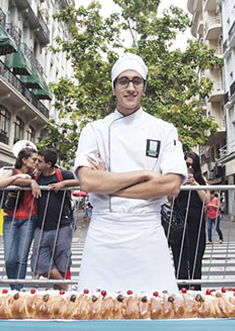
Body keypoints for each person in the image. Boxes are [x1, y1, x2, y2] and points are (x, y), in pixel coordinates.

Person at [73, 53, 187, 293]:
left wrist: (109, 186)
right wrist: (145, 174)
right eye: (123, 81)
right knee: (97, 314)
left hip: (148, 236)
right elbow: (87, 181)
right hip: (104, 236)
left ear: (144, 88)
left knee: (158, 314)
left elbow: (171, 186)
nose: (131, 87)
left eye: (137, 81)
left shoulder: (165, 130)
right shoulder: (94, 130)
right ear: (114, 88)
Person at [31, 149, 80, 291]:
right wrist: (32, 183)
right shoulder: (36, 177)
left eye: (39, 161)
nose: (36, 163)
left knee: (62, 262)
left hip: (62, 225)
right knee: (38, 262)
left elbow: (80, 181)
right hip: (42, 226)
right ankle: (66, 287)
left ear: (49, 164)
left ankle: (60, 297)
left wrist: (63, 184)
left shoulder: (62, 174)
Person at [0, 147, 41, 291]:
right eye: (34, 159)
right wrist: (17, 178)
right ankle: (13, 286)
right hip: (11, 219)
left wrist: (32, 181)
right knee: (10, 258)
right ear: (24, 160)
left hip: (29, 220)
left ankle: (17, 290)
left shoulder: (36, 174)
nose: (36, 162)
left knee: (22, 258)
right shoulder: (12, 172)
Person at [167, 152, 210, 290]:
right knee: (180, 259)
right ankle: (182, 290)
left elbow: (207, 200)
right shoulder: (177, 181)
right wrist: (181, 185)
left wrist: (195, 184)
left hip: (196, 225)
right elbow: (169, 198)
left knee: (196, 259)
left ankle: (196, 290)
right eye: (187, 164)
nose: (190, 168)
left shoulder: (201, 180)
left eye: (193, 165)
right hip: (179, 224)